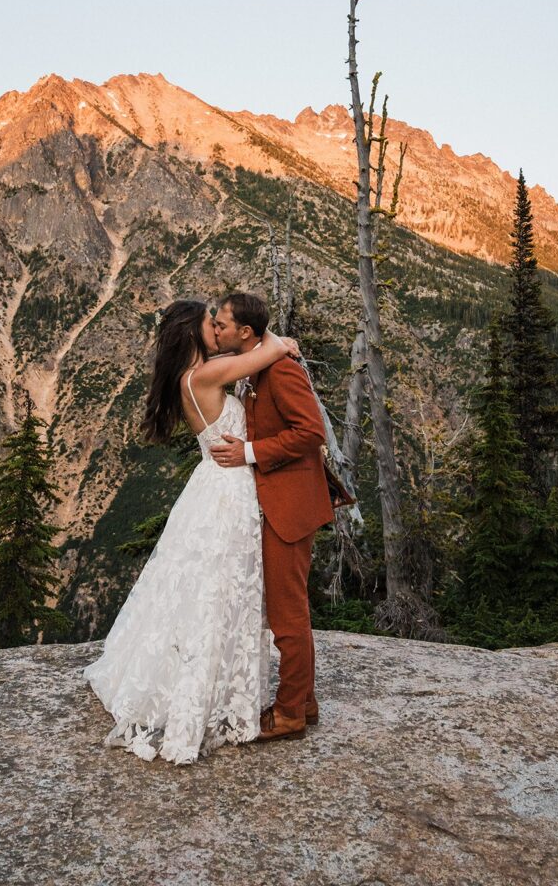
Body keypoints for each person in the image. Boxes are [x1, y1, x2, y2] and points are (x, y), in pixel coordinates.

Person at [81, 299, 298, 765]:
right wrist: (285, 342)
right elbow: (268, 352)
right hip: (228, 492)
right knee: (220, 592)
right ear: (193, 333)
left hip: (215, 486)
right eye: (209, 323)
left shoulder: (204, 371)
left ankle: (212, 686)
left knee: (211, 590)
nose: (216, 328)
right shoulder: (203, 377)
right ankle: (206, 695)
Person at [210, 292, 334, 743]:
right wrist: (278, 340)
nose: (215, 329)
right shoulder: (258, 359)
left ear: (245, 332)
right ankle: (303, 701)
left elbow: (311, 431)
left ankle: (289, 715)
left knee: (288, 615)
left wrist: (248, 453)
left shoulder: (280, 370)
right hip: (276, 502)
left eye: (221, 323)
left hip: (290, 506)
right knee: (288, 609)